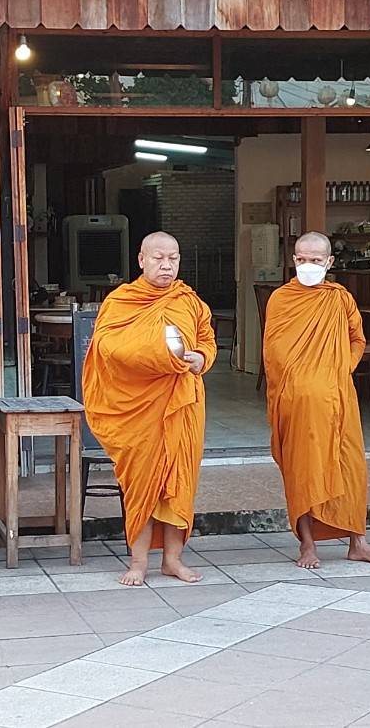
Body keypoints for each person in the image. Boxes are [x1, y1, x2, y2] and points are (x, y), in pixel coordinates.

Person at [82, 232, 216, 586]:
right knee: (142, 484)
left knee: (179, 483)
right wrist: (162, 357)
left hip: (182, 404)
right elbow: (110, 348)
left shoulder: (189, 301)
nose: (166, 265)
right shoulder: (121, 301)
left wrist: (200, 358)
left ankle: (173, 560)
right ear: (141, 260)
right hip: (139, 407)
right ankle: (138, 562)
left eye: (173, 258)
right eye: (158, 258)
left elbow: (206, 339)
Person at [263, 232, 370, 569]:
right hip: (299, 401)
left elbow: (357, 339)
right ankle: (307, 545)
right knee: (303, 469)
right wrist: (301, 379)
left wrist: (337, 368)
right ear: (293, 260)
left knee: (350, 466)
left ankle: (357, 541)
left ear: (330, 263)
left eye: (316, 261)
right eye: (302, 259)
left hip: (338, 397)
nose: (308, 266)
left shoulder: (339, 298)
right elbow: (273, 351)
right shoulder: (281, 299)